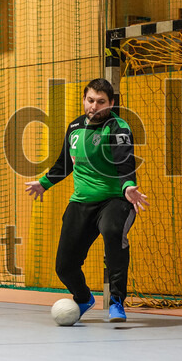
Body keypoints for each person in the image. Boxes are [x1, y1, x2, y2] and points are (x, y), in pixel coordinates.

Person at [25, 78, 149, 323]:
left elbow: (124, 161)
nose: (94, 106)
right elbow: (65, 163)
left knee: (112, 231)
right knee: (64, 266)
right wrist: (44, 183)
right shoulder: (74, 127)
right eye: (90, 100)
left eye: (101, 102)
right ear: (84, 100)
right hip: (81, 202)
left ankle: (116, 301)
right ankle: (83, 298)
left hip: (115, 200)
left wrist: (127, 186)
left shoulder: (118, 128)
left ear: (111, 103)